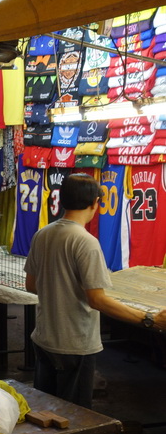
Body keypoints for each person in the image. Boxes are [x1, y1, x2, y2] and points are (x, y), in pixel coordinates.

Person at [24, 173, 166, 408]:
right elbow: (97, 300)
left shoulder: (43, 234)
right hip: (74, 344)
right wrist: (149, 319)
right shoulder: (86, 242)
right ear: (95, 204)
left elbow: (31, 285)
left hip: (44, 338)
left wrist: (61, 287)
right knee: (74, 418)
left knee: (44, 412)